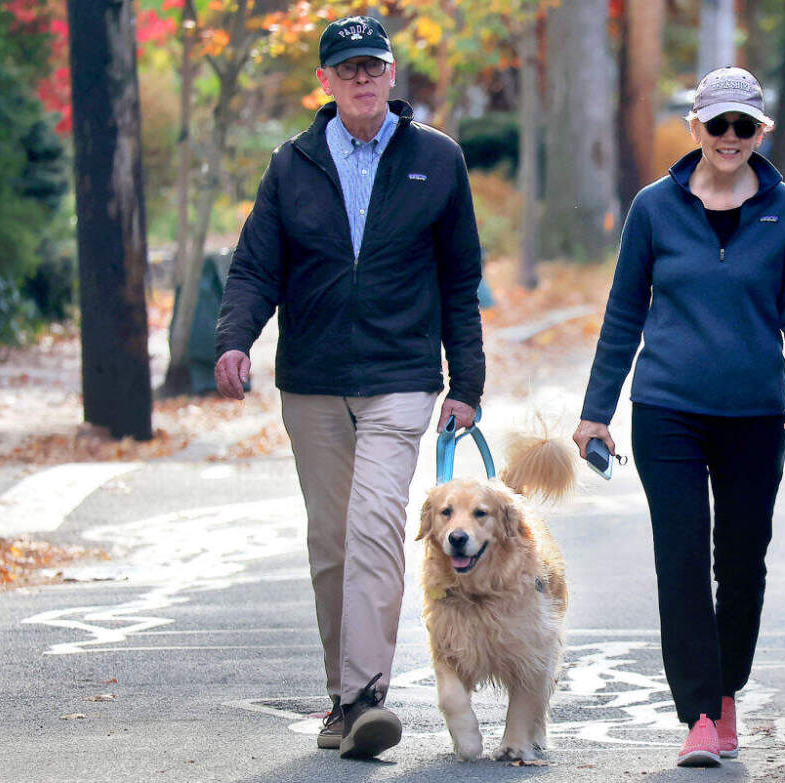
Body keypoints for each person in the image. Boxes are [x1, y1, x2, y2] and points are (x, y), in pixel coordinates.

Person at [213, 15, 485, 760]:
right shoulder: (291, 164)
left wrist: (468, 381)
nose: (363, 78)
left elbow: (461, 280)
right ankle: (342, 697)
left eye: (374, 66)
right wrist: (235, 339)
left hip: (400, 378)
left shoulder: (437, 159)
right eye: (348, 68)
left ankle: (365, 697)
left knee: (372, 528)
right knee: (331, 544)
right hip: (313, 381)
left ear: (391, 75)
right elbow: (255, 267)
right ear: (326, 81)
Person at [572, 67, 785, 768]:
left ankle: (727, 688)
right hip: (668, 411)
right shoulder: (655, 208)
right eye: (720, 125)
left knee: (741, 564)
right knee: (680, 559)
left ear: (759, 132)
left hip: (754, 413)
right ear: (696, 129)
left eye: (746, 126)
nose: (732, 138)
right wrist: (596, 412)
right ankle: (701, 716)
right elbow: (624, 314)